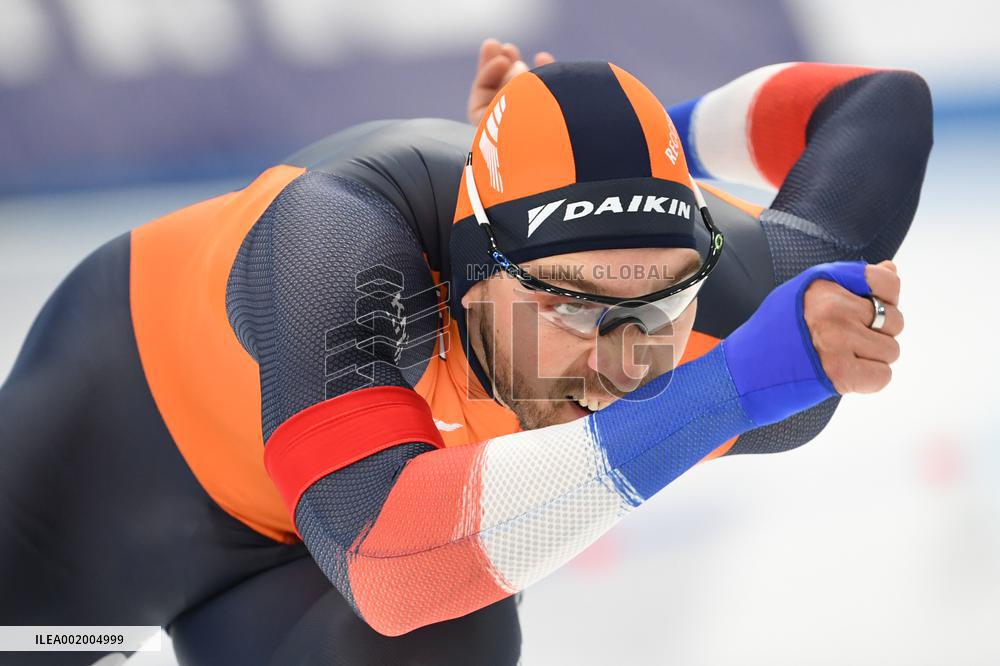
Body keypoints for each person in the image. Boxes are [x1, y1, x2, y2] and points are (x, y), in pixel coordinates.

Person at [0, 39, 931, 665]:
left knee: (454, 636)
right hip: (114, 479)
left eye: (657, 315)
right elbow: (383, 560)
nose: (619, 363)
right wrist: (721, 394)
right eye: (572, 310)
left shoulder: (738, 306)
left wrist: (663, 151)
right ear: (466, 270)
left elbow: (879, 103)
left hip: (316, 577)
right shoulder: (343, 242)